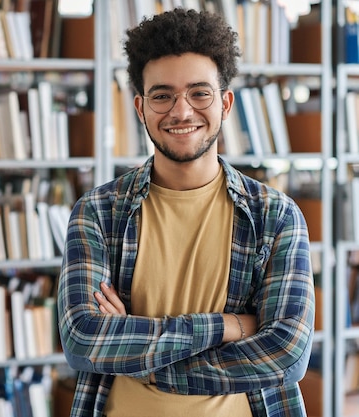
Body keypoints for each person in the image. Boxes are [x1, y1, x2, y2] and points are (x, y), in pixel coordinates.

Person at [57, 7, 315, 417]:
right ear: (141, 108)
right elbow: (83, 340)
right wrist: (231, 326)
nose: (181, 111)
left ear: (225, 103)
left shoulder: (276, 216)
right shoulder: (98, 212)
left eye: (200, 92)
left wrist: (144, 362)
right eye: (162, 95)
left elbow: (286, 354)